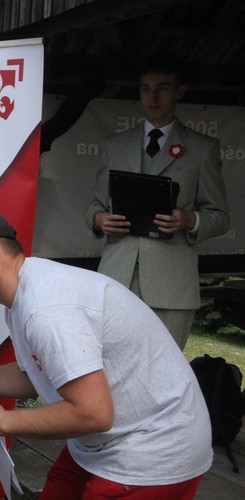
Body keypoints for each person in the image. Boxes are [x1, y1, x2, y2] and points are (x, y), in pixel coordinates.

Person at [0, 204, 212, 498]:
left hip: (153, 450)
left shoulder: (46, 308)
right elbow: (34, 374)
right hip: (104, 445)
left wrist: (3, 422)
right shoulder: (25, 295)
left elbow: (93, 414)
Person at [86, 57, 229, 350]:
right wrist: (99, 219)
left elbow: (220, 215)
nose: (152, 97)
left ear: (179, 92)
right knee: (109, 366)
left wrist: (190, 220)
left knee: (166, 371)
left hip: (171, 284)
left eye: (162, 89)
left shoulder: (203, 149)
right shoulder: (114, 145)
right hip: (117, 276)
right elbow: (94, 204)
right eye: (145, 89)